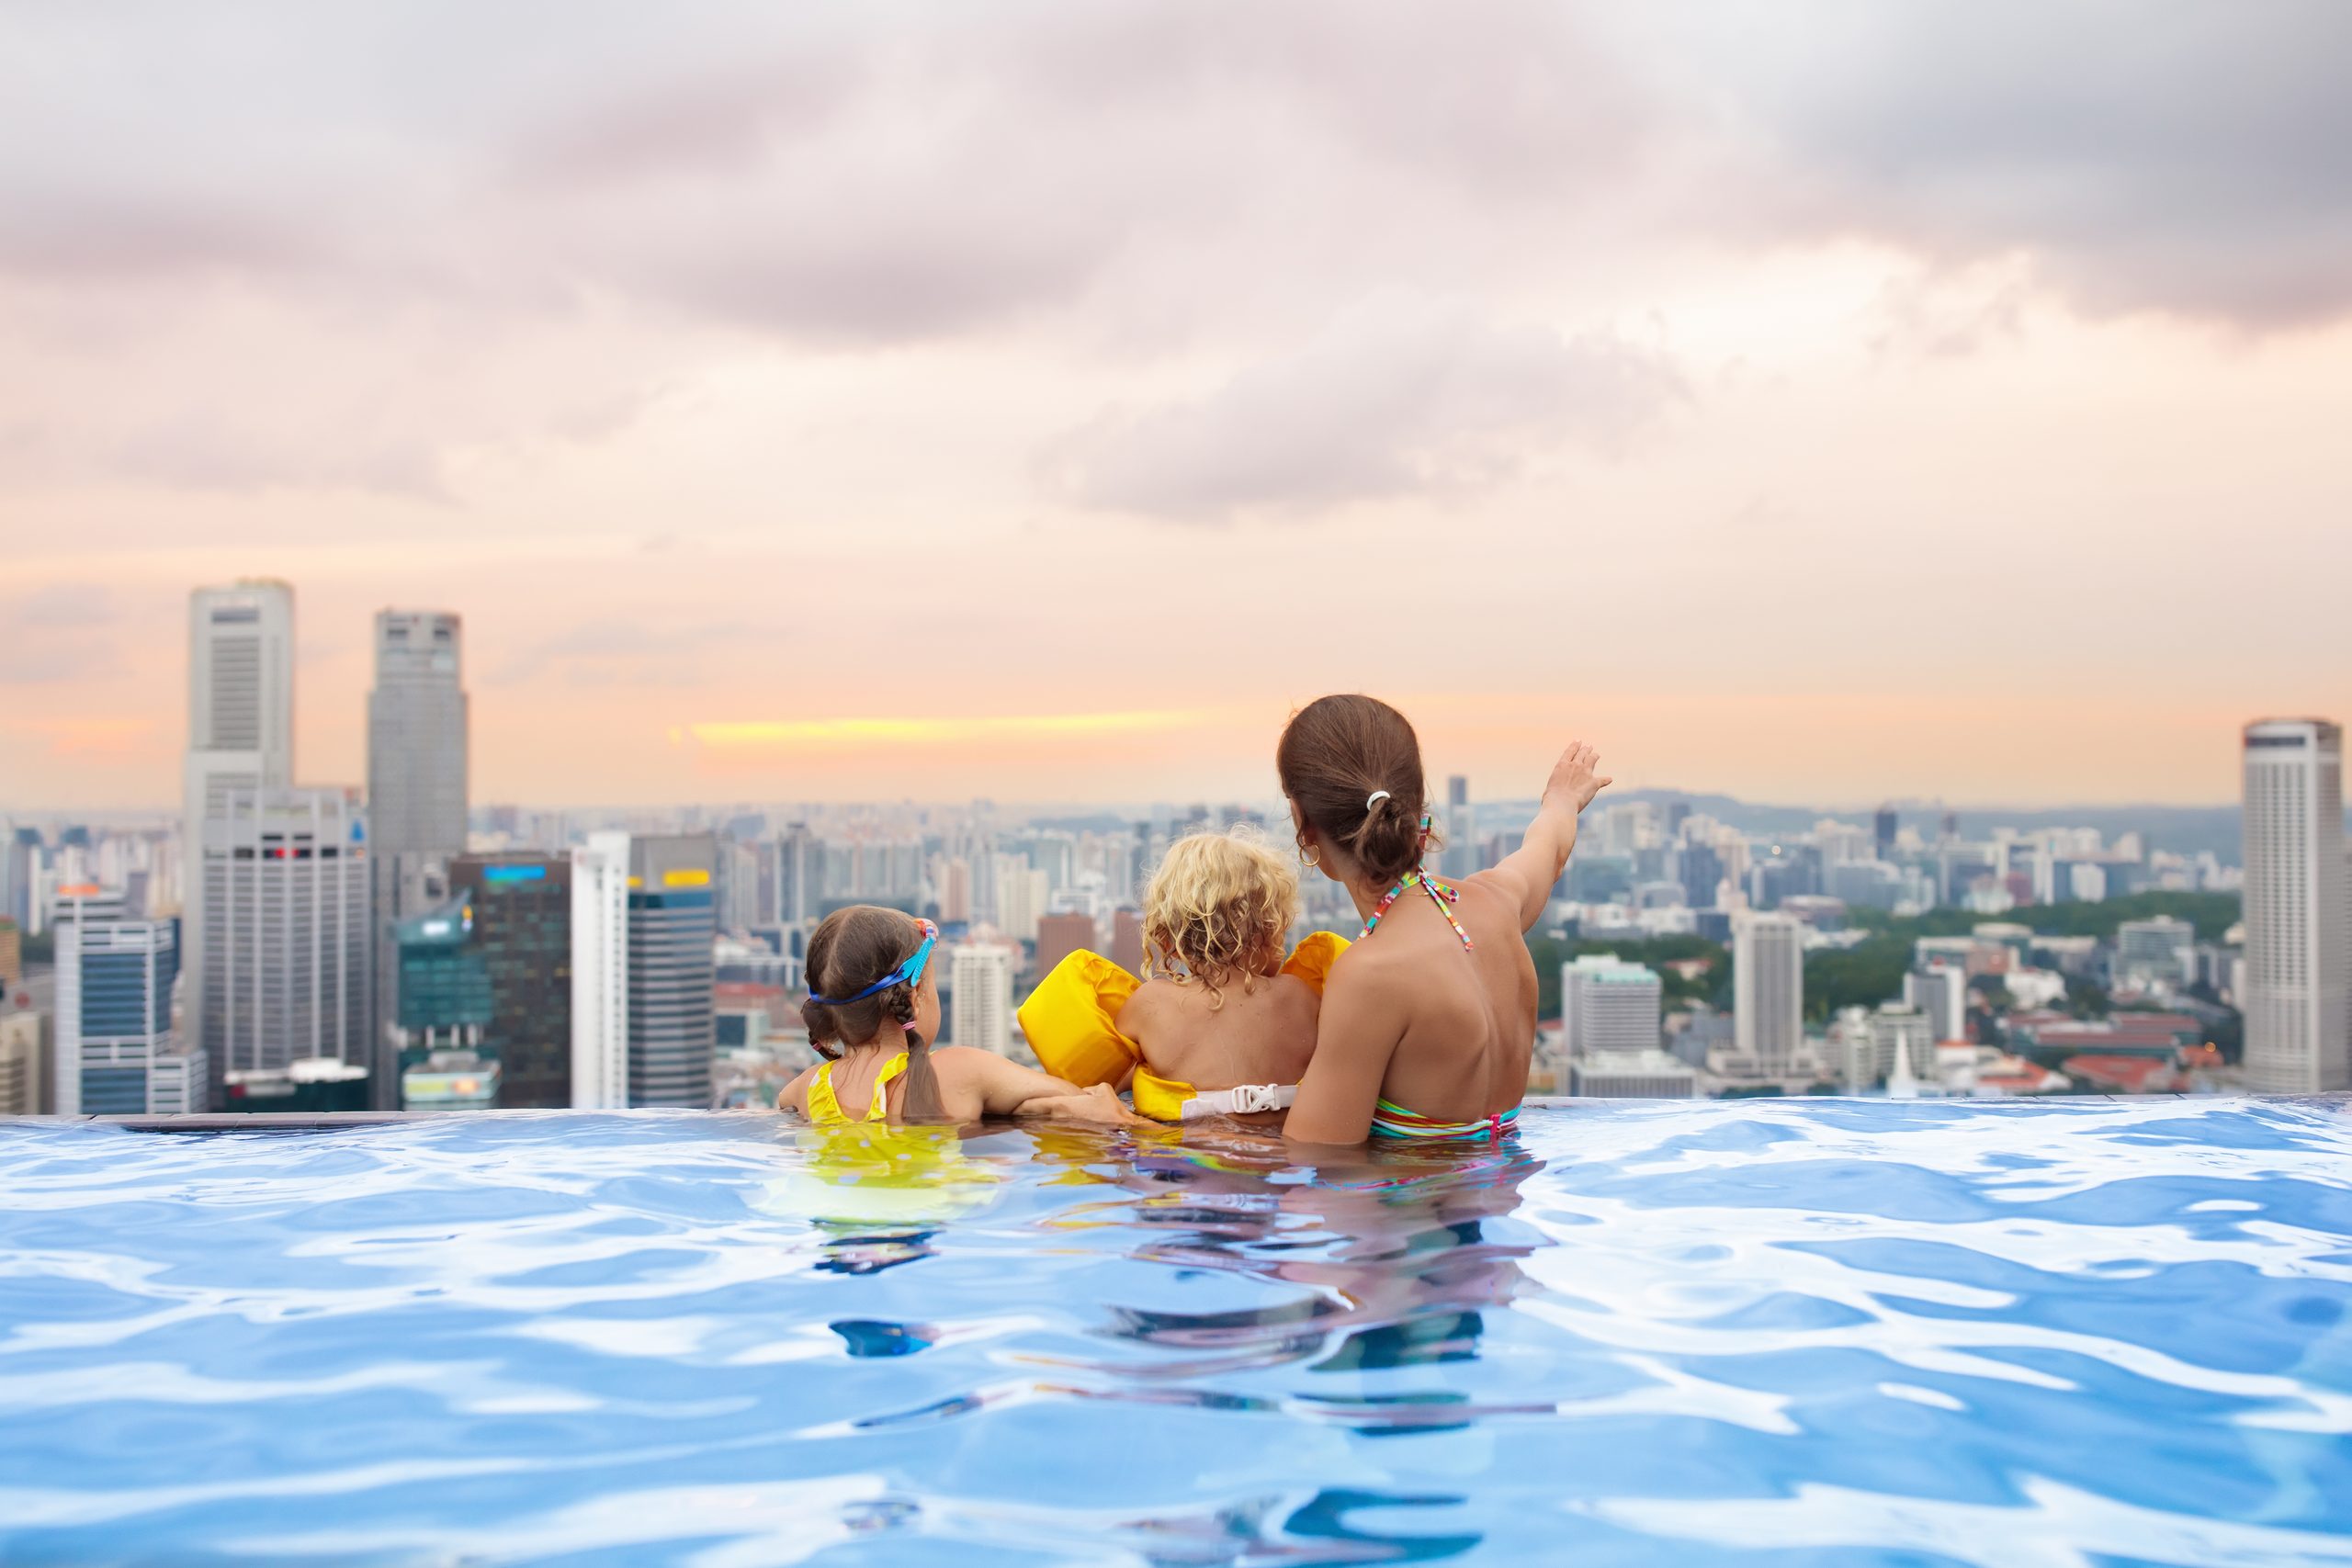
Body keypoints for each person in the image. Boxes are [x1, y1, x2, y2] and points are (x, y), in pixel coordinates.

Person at [1275, 694, 1610, 1143]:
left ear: (1303, 824)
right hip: (1508, 1189)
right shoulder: (1496, 903)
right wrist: (1561, 799)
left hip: (1421, 1208)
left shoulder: (1370, 974)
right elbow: (1547, 846)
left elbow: (1317, 1159)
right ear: (1415, 802)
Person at [1020, 829, 1347, 1123]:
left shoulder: (1151, 1005)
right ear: (1272, 929)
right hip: (1284, 1164)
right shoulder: (1301, 997)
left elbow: (1109, 1079)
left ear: (1167, 939)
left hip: (1187, 1164)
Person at [776, 906, 1136, 1126]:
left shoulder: (805, 1089)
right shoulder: (962, 1069)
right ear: (916, 997)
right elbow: (1084, 1101)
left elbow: (783, 1107)